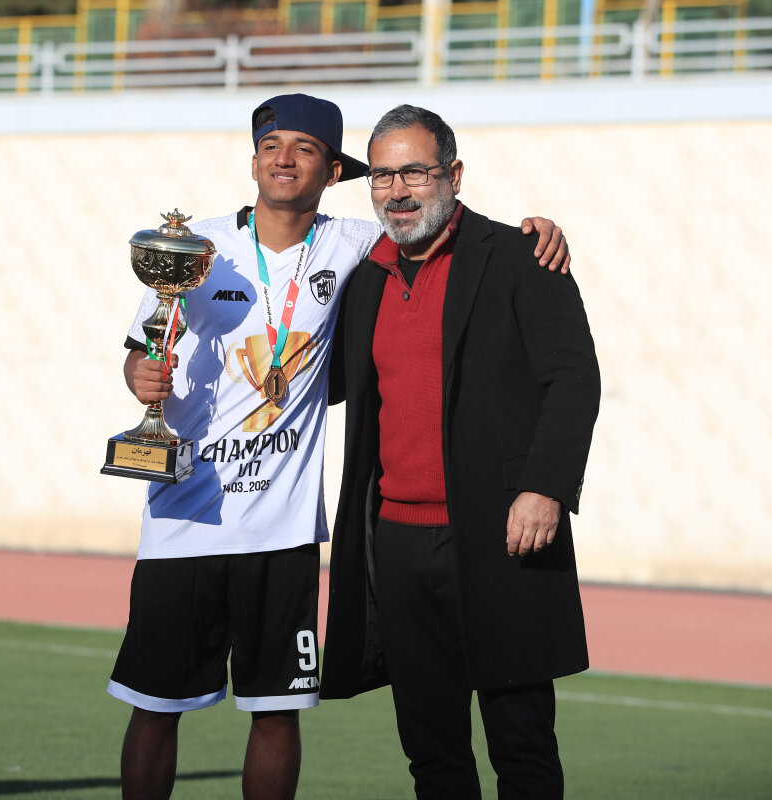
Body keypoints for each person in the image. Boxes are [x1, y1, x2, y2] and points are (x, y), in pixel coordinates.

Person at [109, 93, 569, 800]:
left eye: (305, 148)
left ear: (332, 172)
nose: (284, 159)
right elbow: (143, 348)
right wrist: (140, 374)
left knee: (276, 711)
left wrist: (533, 231)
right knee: (155, 706)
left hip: (284, 531)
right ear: (253, 162)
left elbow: (435, 224)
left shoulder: (358, 244)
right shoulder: (193, 250)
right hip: (183, 522)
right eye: (271, 146)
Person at [319, 104, 601, 800]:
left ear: (454, 174)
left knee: (522, 748)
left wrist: (545, 486)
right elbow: (319, 381)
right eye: (382, 176)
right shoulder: (364, 278)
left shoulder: (522, 256)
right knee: (433, 754)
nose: (397, 191)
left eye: (414, 171)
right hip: (398, 547)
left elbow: (574, 379)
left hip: (502, 537)